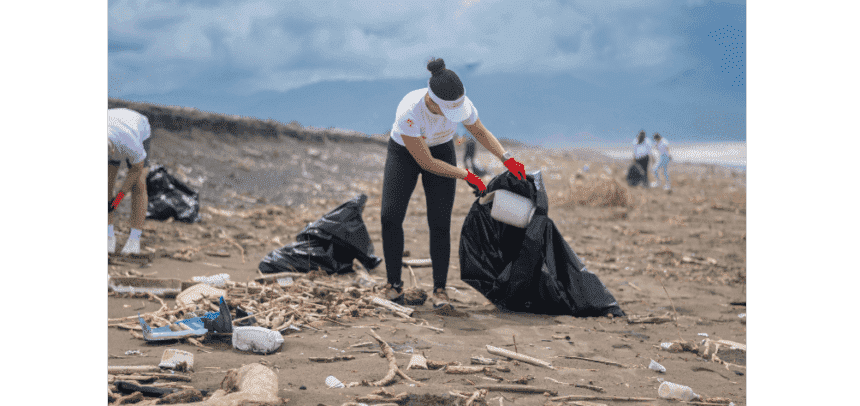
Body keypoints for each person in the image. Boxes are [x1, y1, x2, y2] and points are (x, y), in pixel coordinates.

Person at [380, 58, 526, 308]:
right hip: (405, 154)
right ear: (432, 100)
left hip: (442, 150)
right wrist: (467, 175)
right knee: (390, 216)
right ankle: (393, 284)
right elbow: (425, 162)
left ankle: (440, 289)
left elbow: (479, 131)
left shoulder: (462, 103)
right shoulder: (409, 111)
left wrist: (507, 158)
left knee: (439, 222)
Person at [108, 108, 152, 255]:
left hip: (137, 128)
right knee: (107, 183)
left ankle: (134, 239)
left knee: (139, 184)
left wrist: (117, 200)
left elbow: (136, 170)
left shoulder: (131, 144)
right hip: (113, 125)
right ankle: (108, 236)